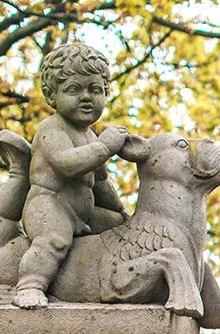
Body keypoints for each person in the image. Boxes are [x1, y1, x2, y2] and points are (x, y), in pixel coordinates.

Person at [14, 42, 137, 309]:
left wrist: (121, 212)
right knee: (54, 240)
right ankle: (30, 285)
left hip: (84, 213)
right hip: (49, 205)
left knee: (122, 230)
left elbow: (101, 183)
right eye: (73, 90)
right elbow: (66, 164)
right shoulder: (52, 128)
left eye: (95, 89)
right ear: (51, 96)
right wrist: (104, 148)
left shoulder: (91, 136)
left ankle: (121, 282)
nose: (86, 97)